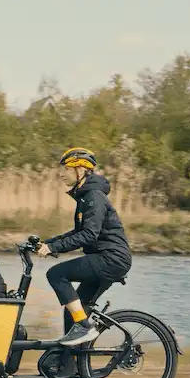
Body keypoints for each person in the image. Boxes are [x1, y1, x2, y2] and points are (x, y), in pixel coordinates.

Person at [38, 147, 132, 346]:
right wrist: (50, 243)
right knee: (73, 308)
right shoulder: (86, 197)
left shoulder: (93, 197)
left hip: (110, 259)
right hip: (107, 259)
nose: (61, 174)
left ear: (80, 170)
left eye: (65, 169)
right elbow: (78, 232)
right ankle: (69, 366)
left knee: (56, 274)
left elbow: (89, 235)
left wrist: (55, 249)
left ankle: (83, 325)